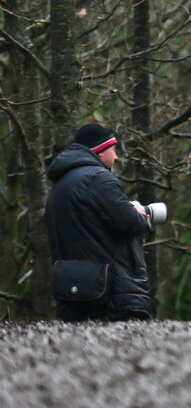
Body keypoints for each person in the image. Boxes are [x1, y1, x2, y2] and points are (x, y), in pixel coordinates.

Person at [45, 124, 152, 321]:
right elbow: (129, 223)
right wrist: (139, 213)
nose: (117, 157)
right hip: (112, 291)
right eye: (114, 149)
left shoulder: (60, 184)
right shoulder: (98, 179)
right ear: (100, 151)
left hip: (72, 288)